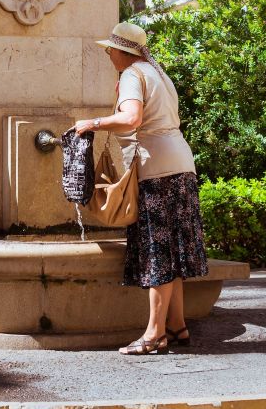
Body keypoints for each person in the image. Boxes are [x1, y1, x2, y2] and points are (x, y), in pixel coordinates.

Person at [75, 22, 208, 355]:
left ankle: (153, 334)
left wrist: (92, 123)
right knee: (173, 252)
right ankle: (176, 326)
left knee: (157, 251)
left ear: (124, 51)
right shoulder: (158, 73)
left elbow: (132, 119)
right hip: (181, 164)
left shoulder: (133, 74)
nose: (108, 55)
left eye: (111, 49)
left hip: (157, 170)